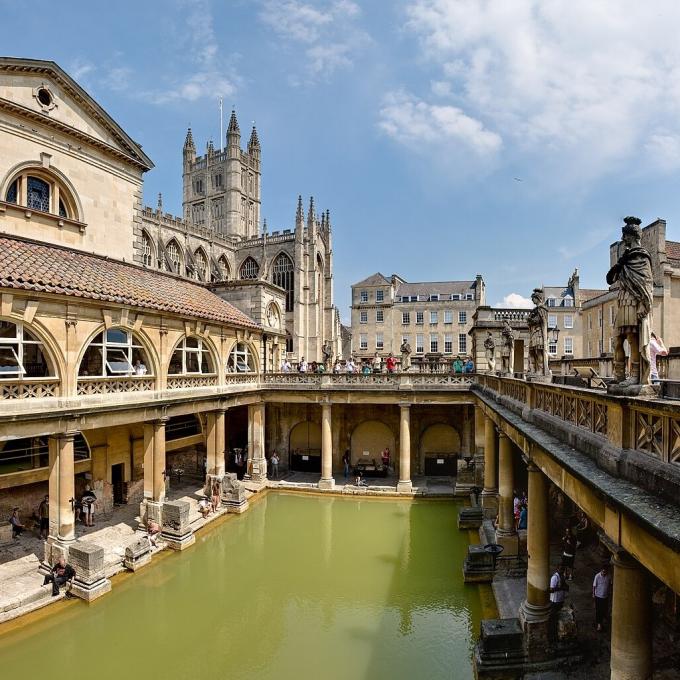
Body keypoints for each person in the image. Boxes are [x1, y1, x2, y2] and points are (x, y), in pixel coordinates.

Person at [592, 564, 611, 631]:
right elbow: (594, 586)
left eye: (605, 572)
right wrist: (593, 594)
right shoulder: (597, 576)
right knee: (599, 610)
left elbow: (609, 585)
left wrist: (609, 593)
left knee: (604, 609)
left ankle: (602, 621)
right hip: (598, 596)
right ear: (601, 571)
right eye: (603, 572)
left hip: (605, 596)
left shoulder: (608, 576)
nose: (604, 573)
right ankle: (599, 624)